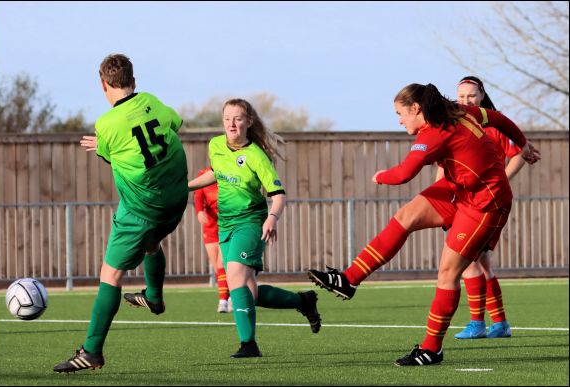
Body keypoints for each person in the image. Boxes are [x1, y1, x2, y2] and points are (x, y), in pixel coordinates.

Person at [308, 83, 540, 366]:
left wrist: (381, 176)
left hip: (485, 203)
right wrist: (523, 143)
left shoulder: (433, 134)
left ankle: (432, 349)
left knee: (447, 273)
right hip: (459, 191)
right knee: (406, 216)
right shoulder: (460, 112)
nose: (399, 120)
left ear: (416, 108)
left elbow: (404, 174)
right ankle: (348, 279)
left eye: (400, 113)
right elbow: (499, 119)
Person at [54, 54, 189, 372]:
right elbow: (174, 125)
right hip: (177, 198)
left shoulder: (107, 125)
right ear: (135, 81)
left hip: (142, 209)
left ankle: (91, 351)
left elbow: (110, 154)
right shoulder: (152, 101)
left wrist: (104, 143)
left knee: (110, 275)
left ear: (102, 84)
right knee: (152, 243)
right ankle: (154, 296)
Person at [188, 98, 322, 358]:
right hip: (225, 224)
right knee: (248, 290)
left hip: (250, 222)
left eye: (238, 118)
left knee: (236, 276)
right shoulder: (215, 145)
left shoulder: (256, 156)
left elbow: (279, 194)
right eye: (227, 118)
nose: (232, 124)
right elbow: (216, 172)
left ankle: (248, 344)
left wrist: (272, 218)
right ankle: (303, 301)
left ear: (248, 122)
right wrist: (186, 186)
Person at [450, 76, 525, 339]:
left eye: (471, 96)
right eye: (461, 97)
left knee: (469, 260)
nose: (465, 101)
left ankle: (478, 324)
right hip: (466, 202)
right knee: (481, 262)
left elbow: (519, 156)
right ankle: (500, 323)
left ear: (481, 95)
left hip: (486, 203)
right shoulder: (457, 124)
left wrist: (500, 181)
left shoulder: (492, 123)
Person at [194, 167, 232, 313]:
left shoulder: (229, 171)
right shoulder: (203, 174)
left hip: (227, 223)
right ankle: (228, 297)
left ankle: (223, 301)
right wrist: (199, 211)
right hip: (210, 226)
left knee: (222, 263)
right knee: (217, 267)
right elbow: (198, 196)